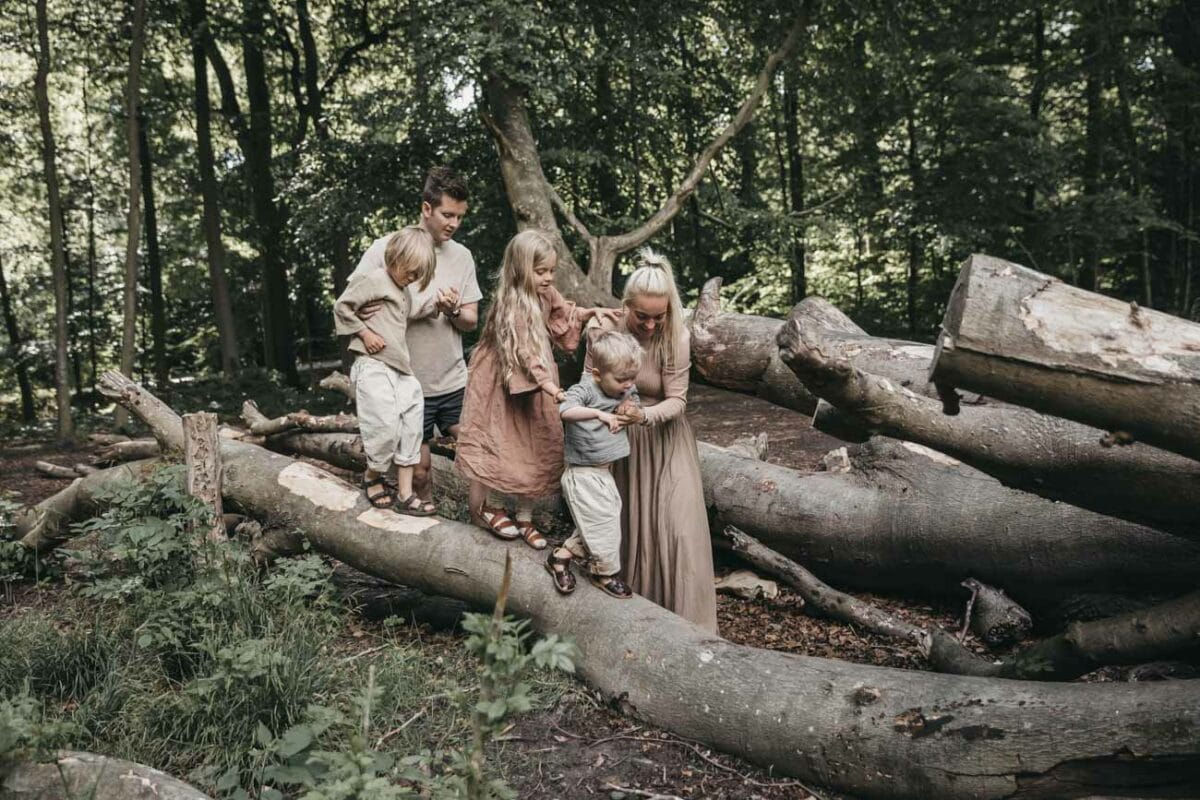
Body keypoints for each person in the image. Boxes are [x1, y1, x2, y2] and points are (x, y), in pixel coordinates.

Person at [454, 229, 619, 550]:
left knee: (538, 443)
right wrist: (547, 385)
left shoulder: (545, 294)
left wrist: (590, 313)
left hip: (539, 379)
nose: (547, 278)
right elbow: (524, 353)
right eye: (540, 271)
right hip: (506, 380)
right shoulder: (511, 304)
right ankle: (494, 506)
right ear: (519, 269)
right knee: (506, 443)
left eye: (551, 271)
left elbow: (562, 313)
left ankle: (525, 517)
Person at [586, 249, 718, 633]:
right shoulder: (606, 331)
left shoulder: (676, 335)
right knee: (631, 531)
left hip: (665, 439)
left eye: (657, 316)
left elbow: (677, 398)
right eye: (641, 315)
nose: (649, 324)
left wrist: (644, 415)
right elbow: (589, 382)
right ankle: (639, 625)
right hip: (622, 444)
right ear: (626, 305)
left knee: (678, 530)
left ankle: (691, 629)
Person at [350, 167, 481, 504]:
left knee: (479, 451)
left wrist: (451, 310)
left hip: (452, 379)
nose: (453, 223)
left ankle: (484, 517)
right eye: (447, 214)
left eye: (460, 217)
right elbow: (351, 302)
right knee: (419, 470)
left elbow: (470, 321)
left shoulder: (462, 256)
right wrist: (366, 322)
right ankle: (424, 528)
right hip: (406, 380)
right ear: (426, 208)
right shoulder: (386, 248)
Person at [333, 226, 437, 516]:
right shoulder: (375, 279)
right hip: (374, 363)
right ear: (394, 258)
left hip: (401, 366)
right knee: (384, 424)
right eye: (411, 271)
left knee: (411, 424)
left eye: (419, 274)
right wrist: (364, 333)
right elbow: (342, 307)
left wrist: (439, 303)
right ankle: (373, 475)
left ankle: (405, 493)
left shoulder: (404, 290)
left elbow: (412, 311)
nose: (413, 278)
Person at [547, 330, 643, 597]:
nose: (628, 384)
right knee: (602, 523)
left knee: (603, 520)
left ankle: (560, 557)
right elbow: (565, 411)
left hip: (604, 473)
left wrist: (630, 408)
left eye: (632, 378)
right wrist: (599, 414)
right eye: (622, 379)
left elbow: (633, 399)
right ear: (599, 374)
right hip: (582, 474)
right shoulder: (586, 388)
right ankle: (605, 573)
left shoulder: (624, 388)